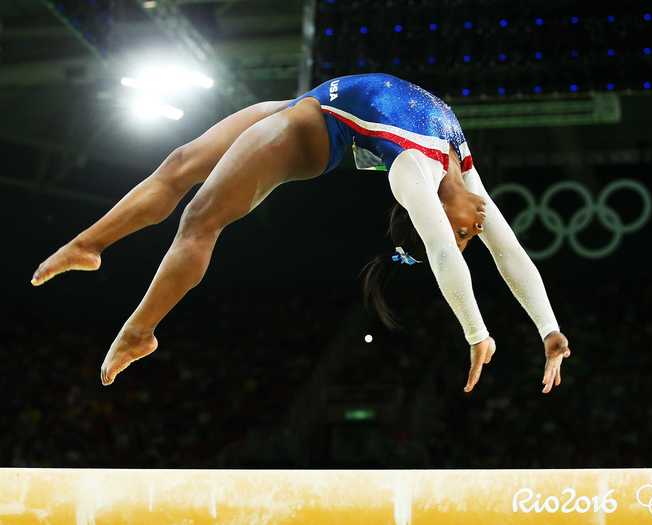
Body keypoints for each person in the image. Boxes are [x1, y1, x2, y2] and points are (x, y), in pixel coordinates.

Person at [31, 73, 570, 391]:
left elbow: (442, 250)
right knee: (179, 163)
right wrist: (549, 330)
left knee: (200, 218)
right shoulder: (466, 174)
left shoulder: (413, 172)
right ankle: (88, 245)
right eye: (470, 234)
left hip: (308, 131)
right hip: (311, 99)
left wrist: (477, 334)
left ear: (426, 207)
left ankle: (139, 331)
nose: (475, 229)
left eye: (464, 236)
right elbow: (512, 253)